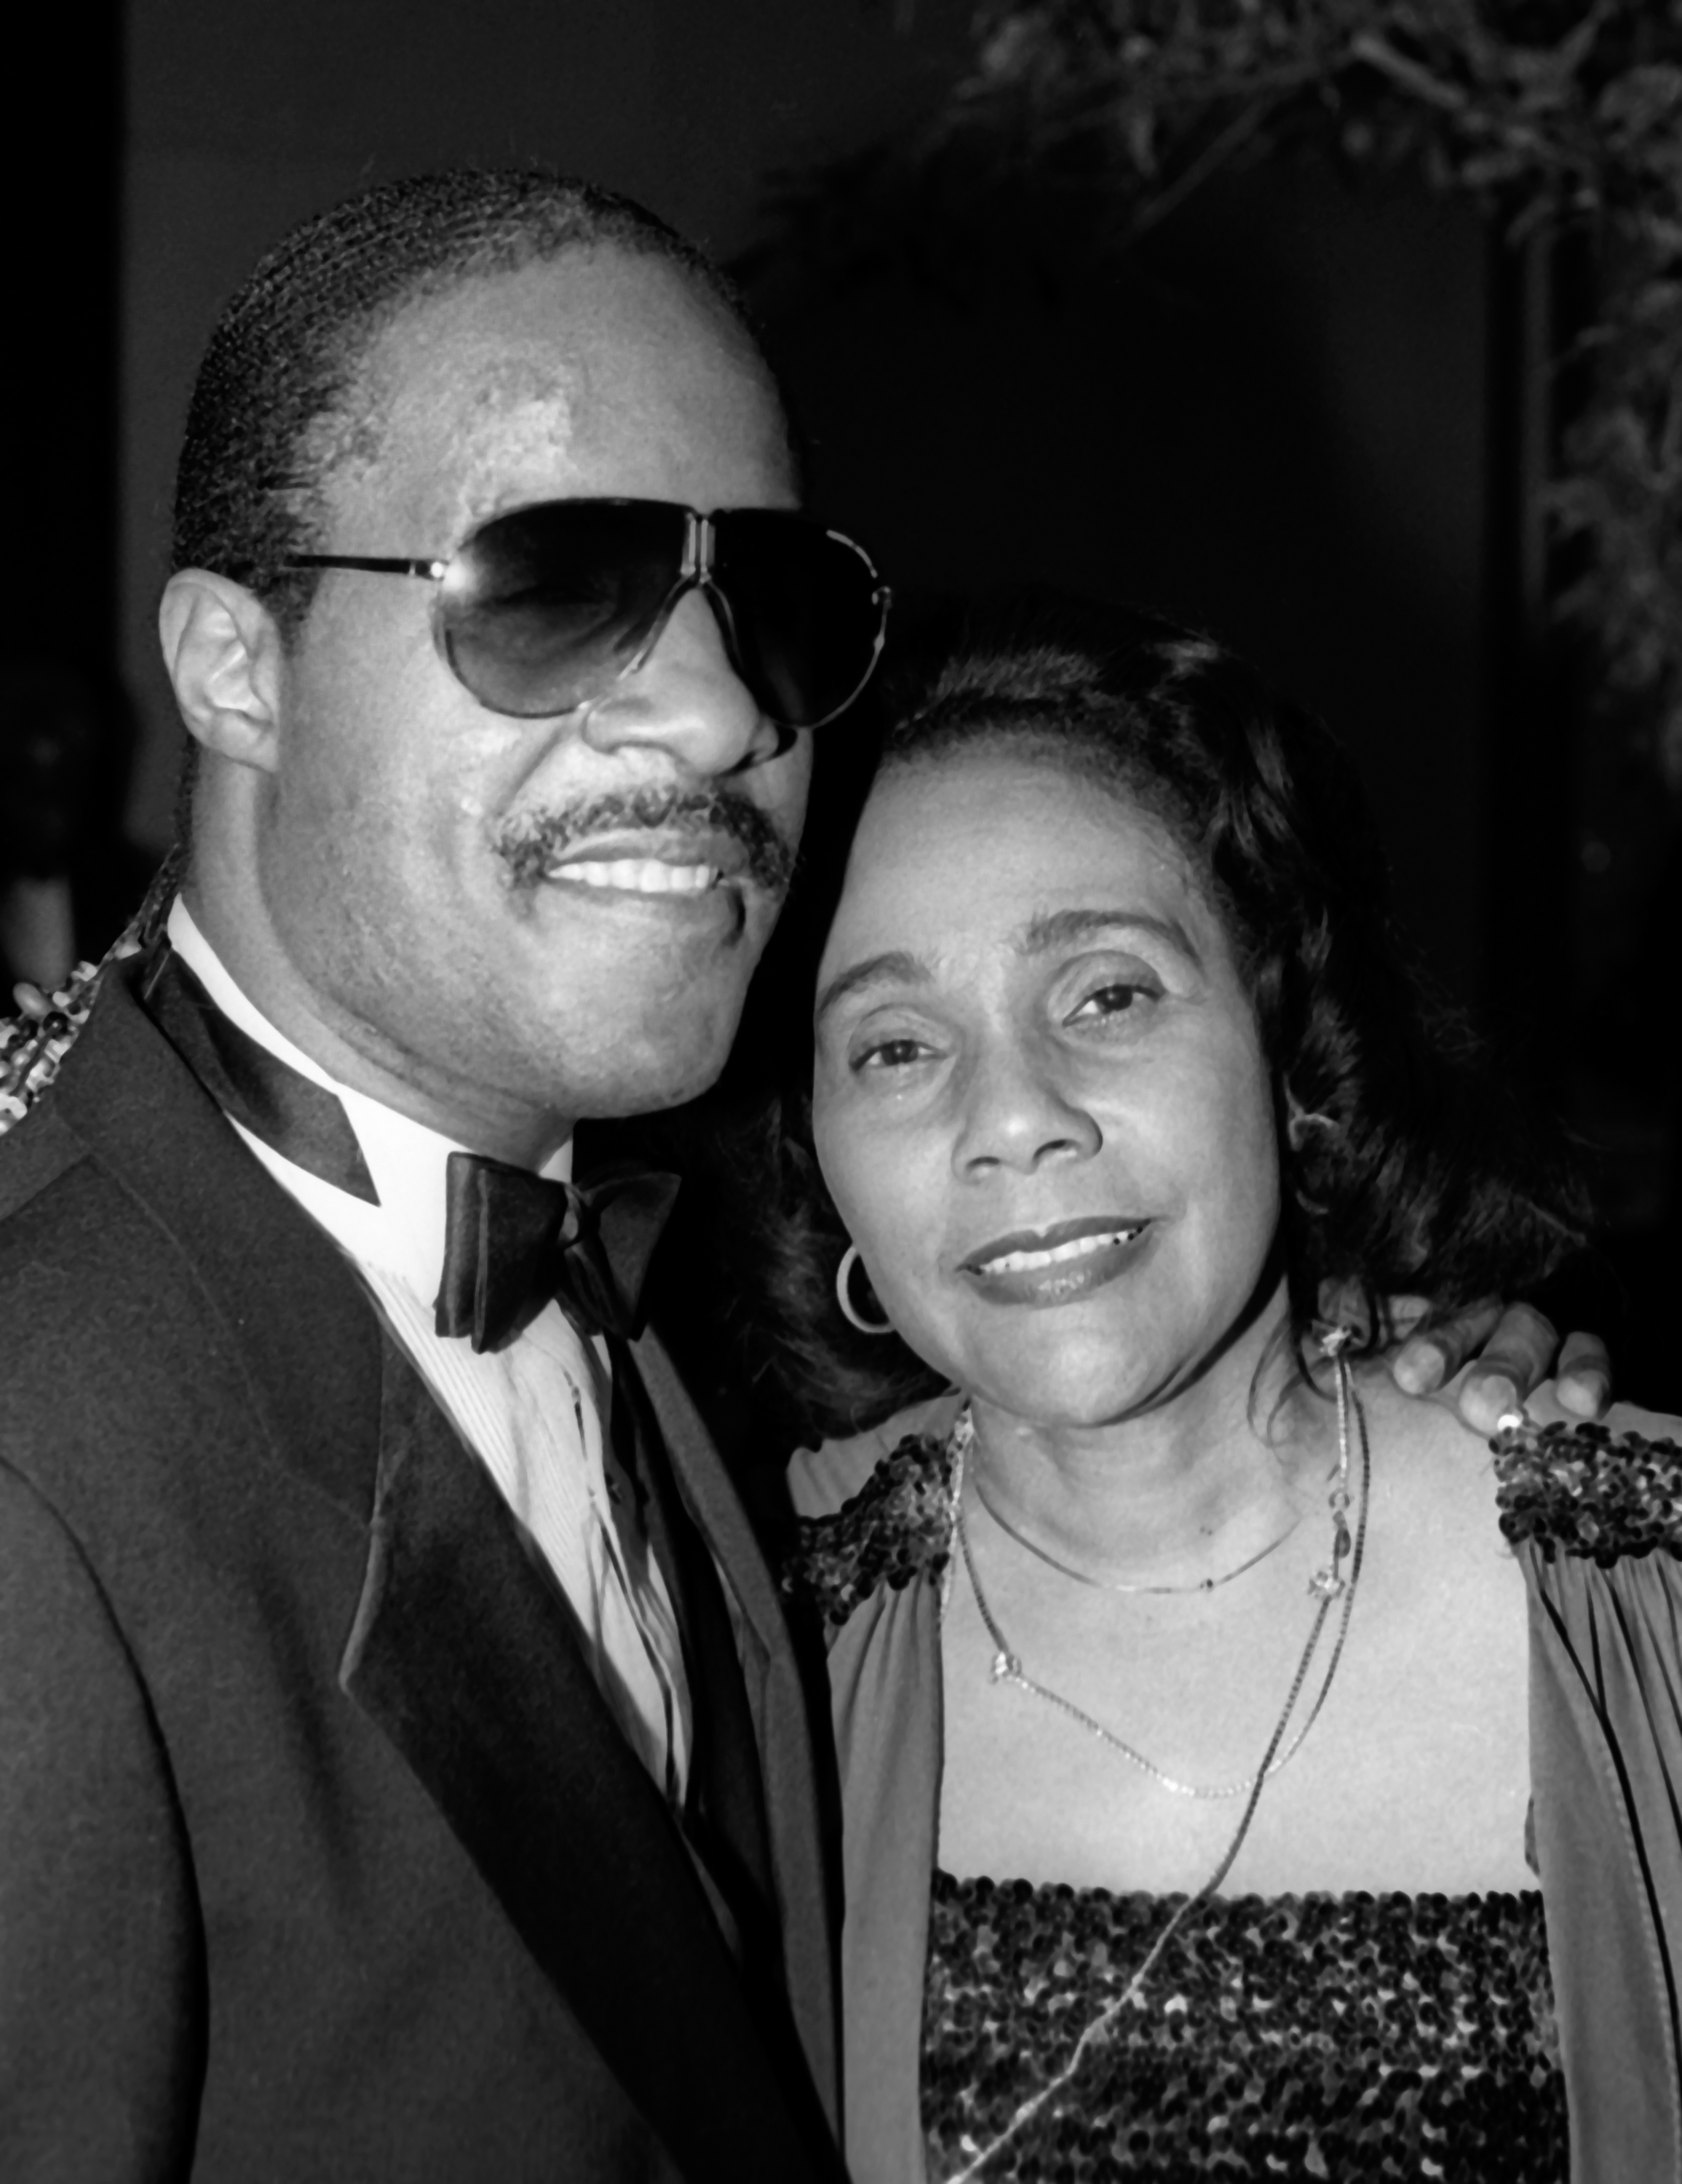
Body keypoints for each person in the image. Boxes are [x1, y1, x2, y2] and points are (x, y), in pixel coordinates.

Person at [0, 170, 1599, 2179]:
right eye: (554, 583)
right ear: (236, 664)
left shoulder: (686, 1399)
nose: (715, 705)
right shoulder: (41, 1431)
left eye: (763, 605)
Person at [764, 593, 1682, 2182]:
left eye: (1106, 994)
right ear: (821, 1157)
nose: (1014, 1118)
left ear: (1283, 1047)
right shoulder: (744, 1646)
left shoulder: (1643, 1599)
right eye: (895, 1046)